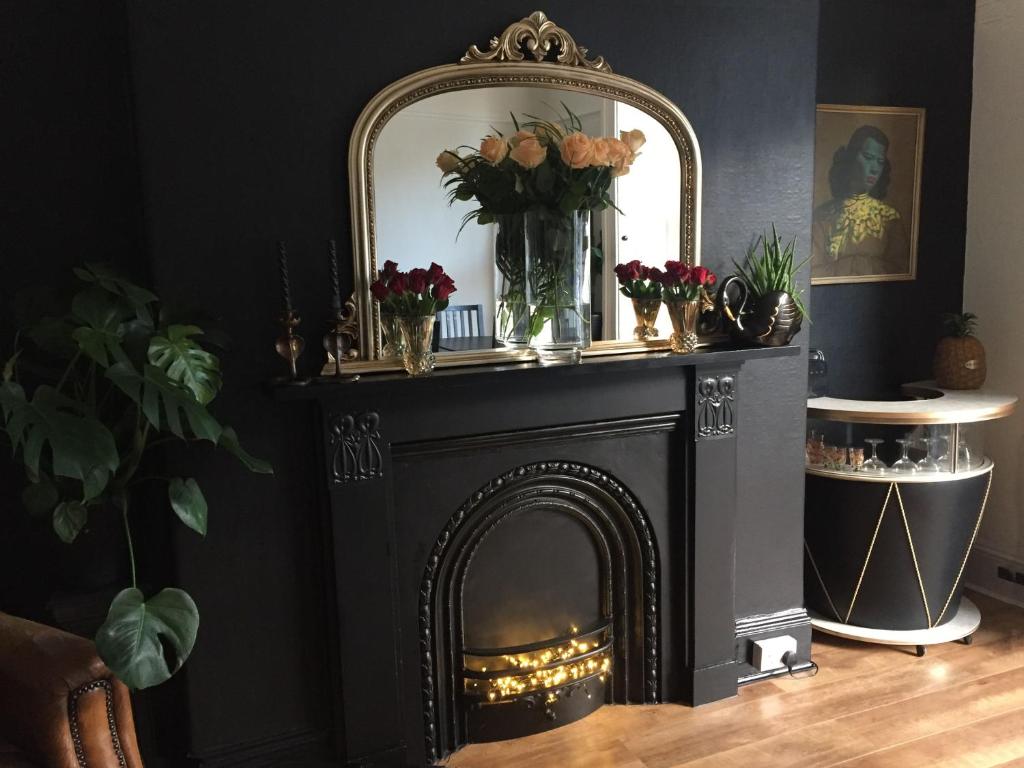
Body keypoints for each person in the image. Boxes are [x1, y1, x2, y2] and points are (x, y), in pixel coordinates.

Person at [811, 125, 909, 278]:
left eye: (880, 161)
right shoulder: (822, 216)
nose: (875, 169)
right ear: (851, 157)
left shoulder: (890, 218)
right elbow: (813, 271)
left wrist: (855, 265)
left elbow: (900, 269)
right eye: (868, 158)